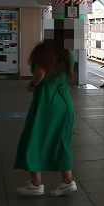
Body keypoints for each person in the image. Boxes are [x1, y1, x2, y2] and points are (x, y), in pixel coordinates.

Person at [15, 39, 77, 197]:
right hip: (65, 104)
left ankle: (36, 184)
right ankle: (67, 181)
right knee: (62, 141)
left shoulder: (46, 53)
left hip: (47, 104)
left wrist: (32, 85)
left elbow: (41, 72)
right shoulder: (68, 54)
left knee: (34, 139)